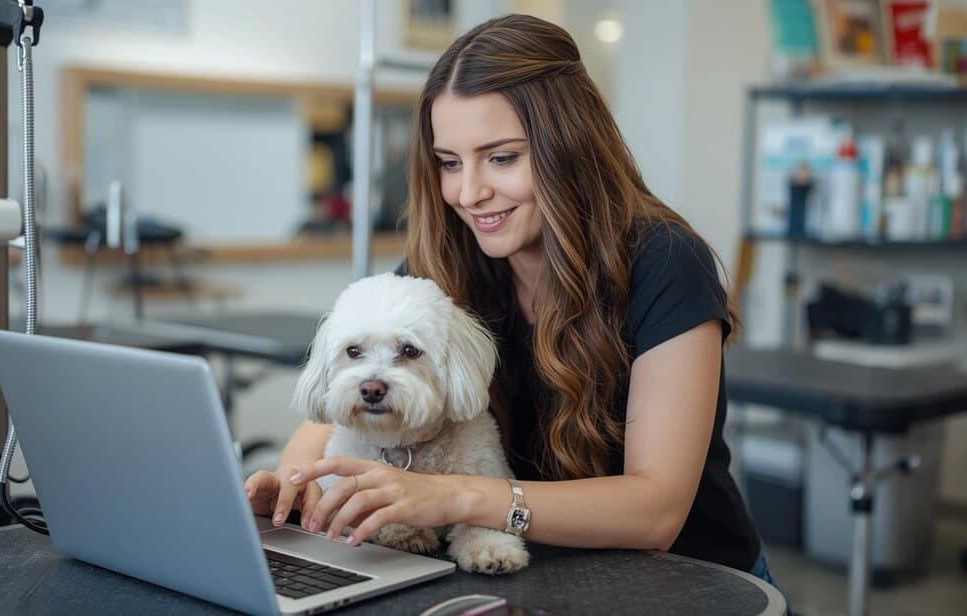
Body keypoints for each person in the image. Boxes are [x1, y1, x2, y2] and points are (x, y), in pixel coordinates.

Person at [245, 13, 782, 593]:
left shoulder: (667, 262)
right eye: (449, 163)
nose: (469, 193)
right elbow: (327, 409)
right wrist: (292, 481)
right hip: (545, 575)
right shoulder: (448, 260)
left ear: (568, 147)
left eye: (501, 158)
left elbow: (655, 512)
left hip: (692, 582)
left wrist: (455, 496)